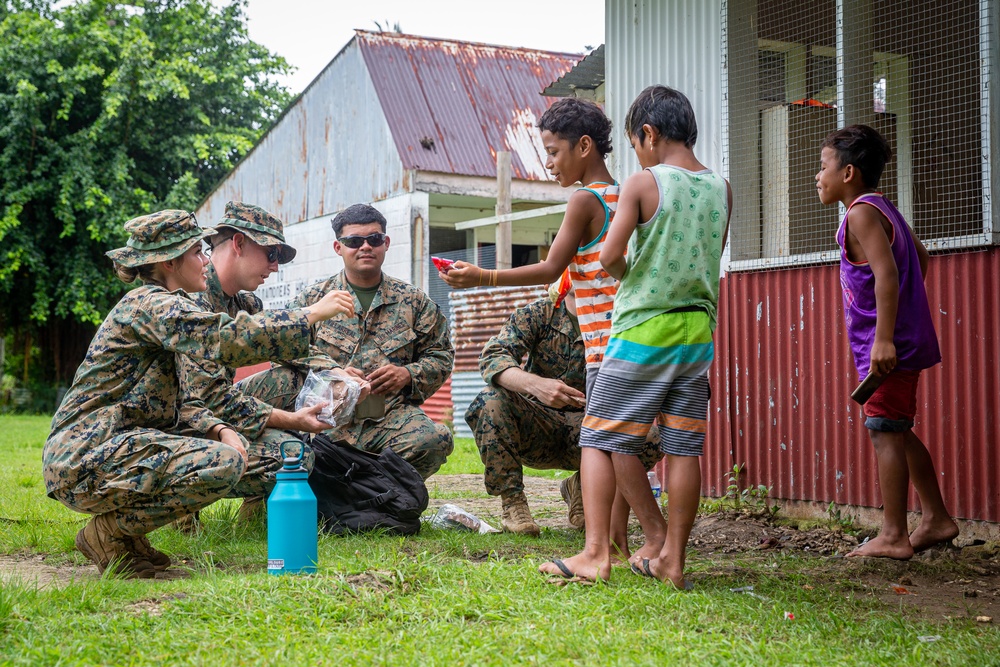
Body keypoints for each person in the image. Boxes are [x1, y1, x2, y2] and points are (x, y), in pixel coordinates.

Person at [43, 210, 355, 578]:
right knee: (223, 462)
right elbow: (225, 339)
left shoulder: (167, 306)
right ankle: (108, 533)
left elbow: (188, 399)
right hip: (85, 455)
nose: (205, 260)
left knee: (229, 451)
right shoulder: (150, 305)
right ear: (171, 261)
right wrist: (309, 314)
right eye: (197, 253)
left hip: (117, 446)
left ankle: (125, 538)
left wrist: (219, 429)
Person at [540, 85, 731, 587]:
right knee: (685, 448)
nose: (636, 155)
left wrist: (632, 272)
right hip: (698, 333)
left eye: (635, 143)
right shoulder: (721, 188)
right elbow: (710, 259)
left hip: (644, 328)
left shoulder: (643, 183)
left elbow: (609, 257)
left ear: (648, 134)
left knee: (599, 436)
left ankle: (595, 554)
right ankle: (673, 560)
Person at [441, 98, 642, 548]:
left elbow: (550, 268)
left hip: (604, 354)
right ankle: (540, 511)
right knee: (624, 432)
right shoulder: (632, 194)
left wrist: (482, 276)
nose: (549, 163)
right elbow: (493, 357)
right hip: (625, 349)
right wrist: (535, 385)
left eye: (553, 152)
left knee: (622, 436)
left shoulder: (585, 200)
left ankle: (606, 533)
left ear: (584, 146)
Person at [176, 202, 367, 527]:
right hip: (180, 424)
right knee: (294, 457)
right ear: (239, 243)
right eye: (271, 255)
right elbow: (207, 401)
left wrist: (331, 371)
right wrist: (292, 420)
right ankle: (178, 507)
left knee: (294, 380)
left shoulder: (245, 303)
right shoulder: (192, 298)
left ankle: (253, 516)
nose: (275, 267)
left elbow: (288, 352)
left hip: (214, 409)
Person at [816, 124, 958, 559]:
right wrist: (907, 317)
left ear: (848, 173)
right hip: (896, 338)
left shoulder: (860, 213)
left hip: (886, 346)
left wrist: (884, 338)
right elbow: (921, 256)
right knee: (896, 428)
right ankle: (936, 518)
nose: (817, 176)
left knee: (883, 430)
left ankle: (894, 535)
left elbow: (888, 273)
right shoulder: (881, 207)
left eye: (823, 166)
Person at [239, 203, 454, 479]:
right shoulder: (313, 301)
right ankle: (334, 494)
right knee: (297, 456)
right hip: (325, 422)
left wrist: (407, 374)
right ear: (338, 247)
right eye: (353, 241)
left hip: (388, 418)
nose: (365, 247)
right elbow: (280, 350)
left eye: (374, 239)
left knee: (433, 441)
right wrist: (329, 373)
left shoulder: (414, 301)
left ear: (386, 243)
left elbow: (441, 354)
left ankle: (380, 498)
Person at [468, 280, 662, 542]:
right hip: (537, 425)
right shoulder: (541, 313)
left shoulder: (620, 319)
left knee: (651, 436)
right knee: (490, 401)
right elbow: (493, 357)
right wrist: (536, 385)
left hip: (592, 431)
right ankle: (513, 504)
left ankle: (583, 488)